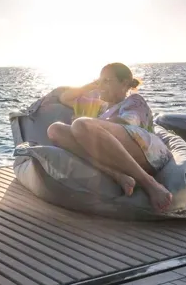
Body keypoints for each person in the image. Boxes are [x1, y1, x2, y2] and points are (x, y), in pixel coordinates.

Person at [46, 63, 174, 212]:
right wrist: (94, 85)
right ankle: (117, 175)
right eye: (100, 81)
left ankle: (149, 183)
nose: (101, 85)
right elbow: (65, 97)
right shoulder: (102, 107)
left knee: (81, 124)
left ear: (124, 83)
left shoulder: (134, 101)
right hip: (114, 153)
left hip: (146, 151)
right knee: (55, 129)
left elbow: (127, 122)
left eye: (107, 81)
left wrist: (88, 124)